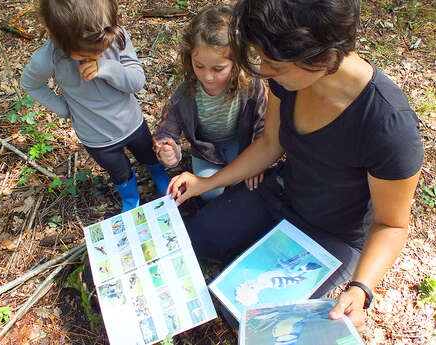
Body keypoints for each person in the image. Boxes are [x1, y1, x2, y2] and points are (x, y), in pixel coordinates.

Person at [167, 0, 423, 332]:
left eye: (272, 63)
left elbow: (391, 225)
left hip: (332, 235)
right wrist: (207, 183)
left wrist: (360, 289)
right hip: (280, 193)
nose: (263, 72)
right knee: (191, 241)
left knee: (242, 319)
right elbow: (270, 145)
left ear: (324, 57)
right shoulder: (288, 80)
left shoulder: (388, 126)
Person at [21, 0, 170, 212]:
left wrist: (108, 67)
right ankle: (130, 196)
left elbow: (136, 82)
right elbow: (30, 84)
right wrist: (64, 109)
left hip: (131, 123)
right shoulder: (48, 58)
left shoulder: (112, 35)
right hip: (96, 137)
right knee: (118, 170)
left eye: (101, 50)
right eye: (85, 55)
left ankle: (157, 172)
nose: (96, 56)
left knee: (147, 152)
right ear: (53, 34)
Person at [153, 4, 267, 201]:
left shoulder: (251, 87)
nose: (208, 76)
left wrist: (260, 163)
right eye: (199, 66)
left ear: (237, 61)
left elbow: (264, 124)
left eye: (218, 68)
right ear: (190, 59)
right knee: (209, 193)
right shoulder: (186, 92)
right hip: (207, 151)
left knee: (248, 184)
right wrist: (166, 149)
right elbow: (167, 128)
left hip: (241, 145)